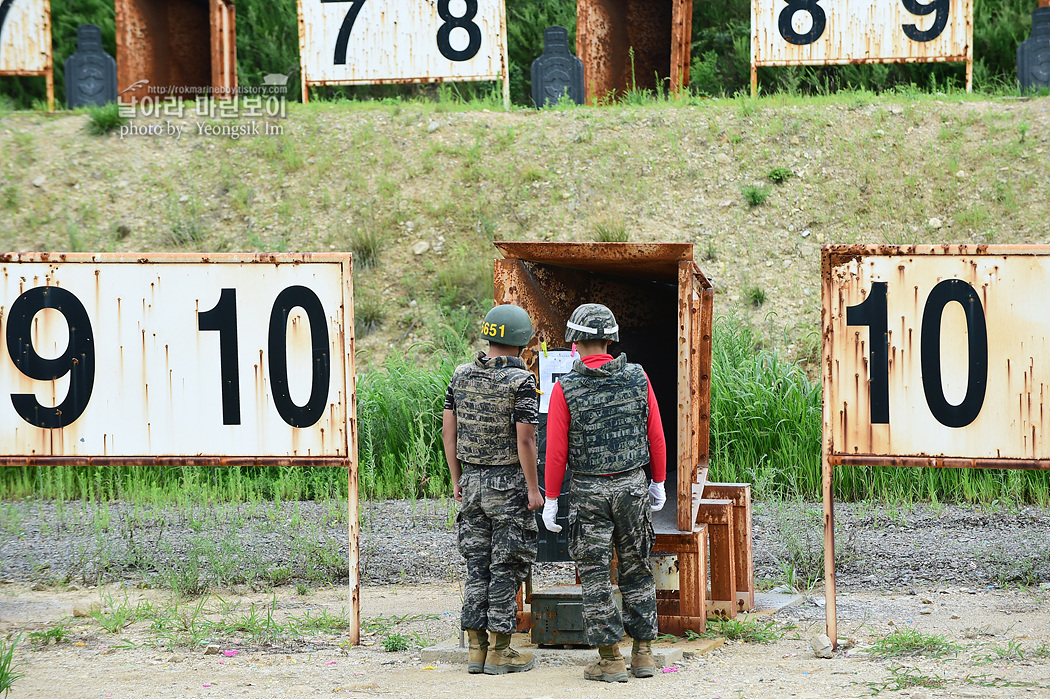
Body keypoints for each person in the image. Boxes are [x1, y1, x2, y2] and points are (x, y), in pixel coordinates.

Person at [541, 303, 667, 683]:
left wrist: (550, 500)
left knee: (596, 575)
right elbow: (656, 435)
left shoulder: (567, 387)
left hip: (588, 492)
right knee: (637, 568)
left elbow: (557, 451)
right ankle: (643, 654)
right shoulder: (638, 377)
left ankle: (610, 659)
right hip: (631, 487)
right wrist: (657, 482)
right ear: (611, 339)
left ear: (575, 342)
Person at [441, 304, 544, 675]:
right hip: (510, 485)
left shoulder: (461, 375)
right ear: (522, 341)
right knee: (506, 566)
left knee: (476, 566)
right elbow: (526, 440)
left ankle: (475, 650)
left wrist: (457, 479)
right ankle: (501, 651)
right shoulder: (522, 382)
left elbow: (448, 432)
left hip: (471, 482)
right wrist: (533, 489)